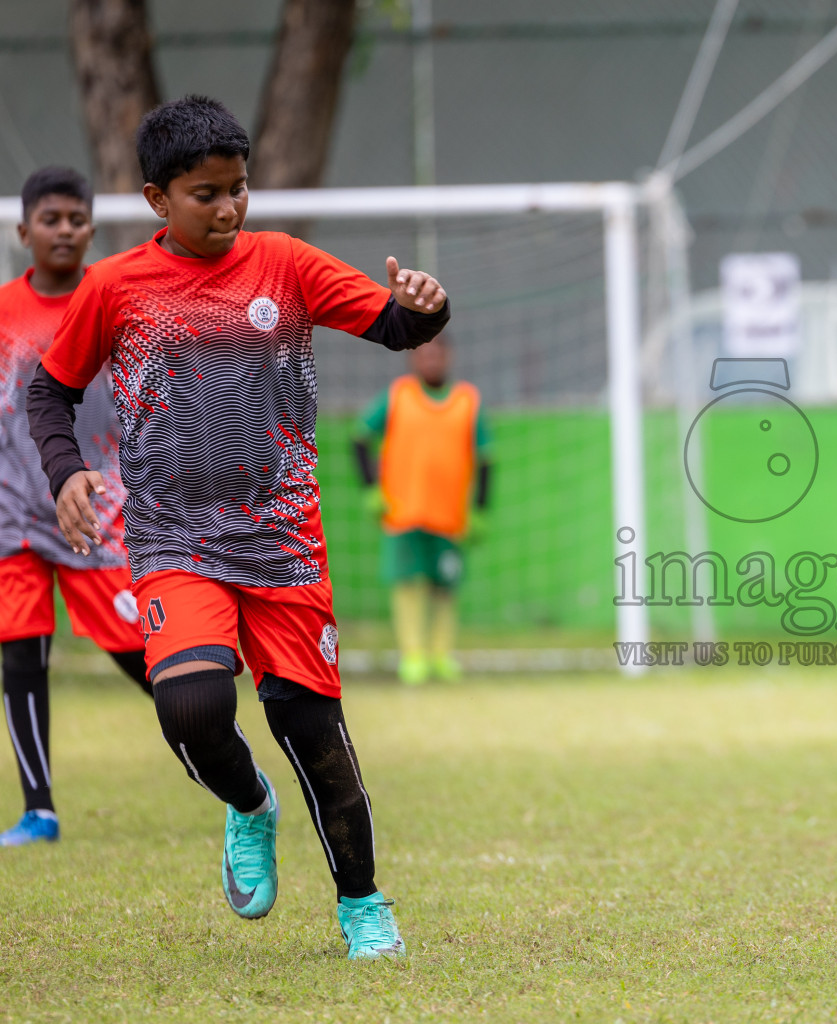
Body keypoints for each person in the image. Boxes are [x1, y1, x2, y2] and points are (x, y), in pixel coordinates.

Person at [26, 96, 448, 959]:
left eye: (239, 190)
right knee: (191, 702)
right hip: (175, 538)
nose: (228, 209)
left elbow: (395, 326)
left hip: (283, 539)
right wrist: (66, 471)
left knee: (312, 733)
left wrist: (426, 307)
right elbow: (50, 391)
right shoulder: (115, 287)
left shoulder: (285, 264)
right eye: (207, 194)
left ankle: (362, 904)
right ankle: (250, 803)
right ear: (157, 200)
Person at [1, 167, 150, 848]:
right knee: (20, 656)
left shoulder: (110, 301)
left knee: (144, 655)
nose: (64, 230)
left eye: (76, 219)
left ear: (91, 229)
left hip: (95, 511)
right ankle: (40, 809)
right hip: (13, 518)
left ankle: (224, 751)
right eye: (51, 219)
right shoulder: (3, 312)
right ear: (23, 230)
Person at [353, 335, 490, 685]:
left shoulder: (467, 401)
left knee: (445, 586)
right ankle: (412, 654)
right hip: (404, 511)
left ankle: (441, 654)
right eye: (424, 354)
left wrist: (480, 509)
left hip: (450, 515)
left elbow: (487, 460)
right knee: (407, 584)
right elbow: (359, 438)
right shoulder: (398, 396)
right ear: (413, 358)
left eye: (437, 353)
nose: (431, 360)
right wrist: (372, 490)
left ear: (448, 356)